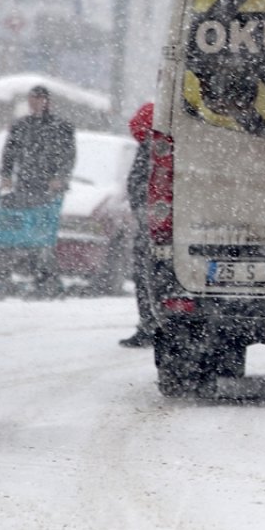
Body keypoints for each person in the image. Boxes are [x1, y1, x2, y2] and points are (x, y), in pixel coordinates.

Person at [0, 85, 76, 297]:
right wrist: (6, 176)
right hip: (25, 185)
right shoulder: (21, 126)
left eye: (39, 98)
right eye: (32, 98)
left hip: (48, 189)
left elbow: (68, 155)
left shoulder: (60, 126)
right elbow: (9, 152)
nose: (35, 102)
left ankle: (45, 278)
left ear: (47, 101)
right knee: (18, 230)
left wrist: (59, 177)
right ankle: (11, 275)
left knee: (43, 233)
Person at [119, 102, 159, 348]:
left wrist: (143, 214)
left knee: (146, 273)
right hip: (156, 221)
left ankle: (149, 325)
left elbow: (139, 183)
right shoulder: (154, 144)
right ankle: (151, 324)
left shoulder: (152, 146)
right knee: (150, 274)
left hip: (154, 224)